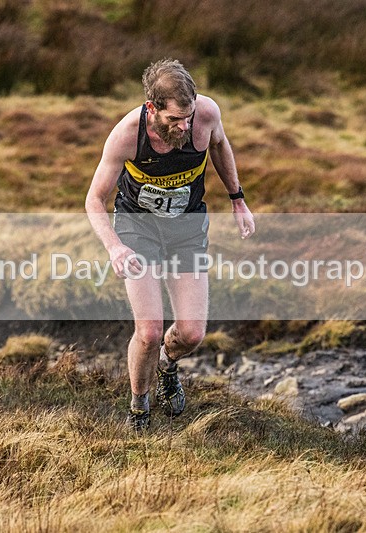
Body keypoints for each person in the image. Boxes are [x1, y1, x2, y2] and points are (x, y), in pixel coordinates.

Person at [85, 59, 255, 430]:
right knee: (148, 331)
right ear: (152, 108)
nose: (184, 125)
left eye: (188, 116)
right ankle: (139, 408)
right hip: (137, 228)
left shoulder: (205, 115)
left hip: (187, 229)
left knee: (191, 334)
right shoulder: (127, 135)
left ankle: (167, 363)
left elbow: (221, 147)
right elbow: (94, 200)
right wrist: (115, 247)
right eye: (175, 119)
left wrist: (237, 199)